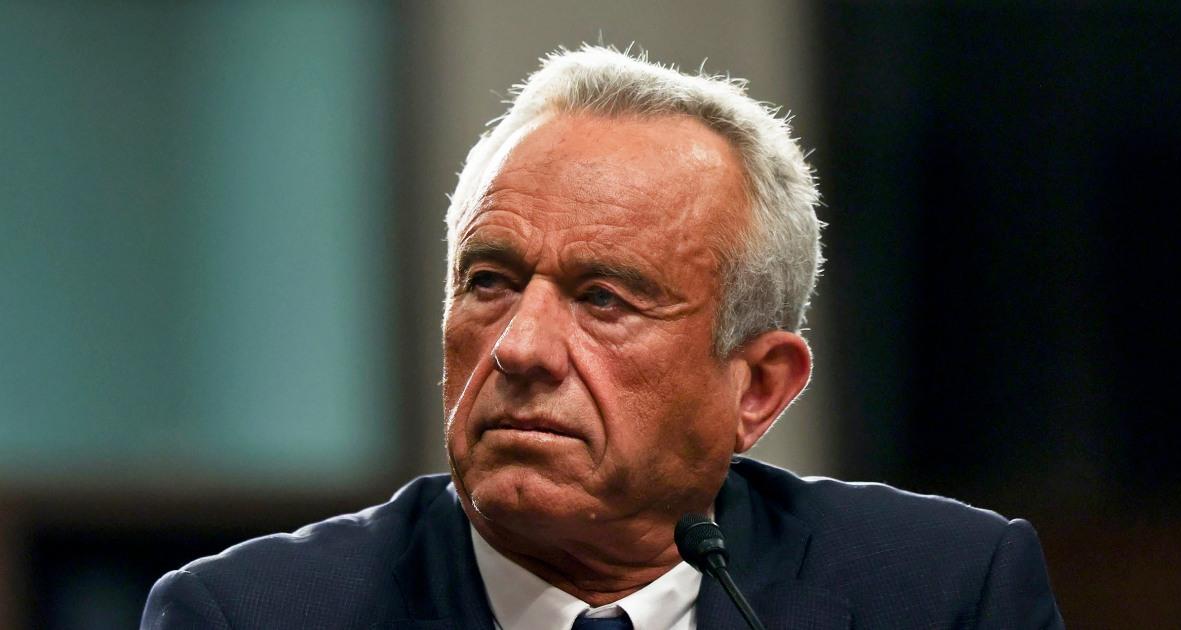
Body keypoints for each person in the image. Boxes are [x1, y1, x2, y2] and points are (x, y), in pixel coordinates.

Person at [141, 46, 1063, 629]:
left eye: (605, 299)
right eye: (490, 282)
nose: (520, 349)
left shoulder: (947, 593)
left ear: (756, 388)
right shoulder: (247, 615)